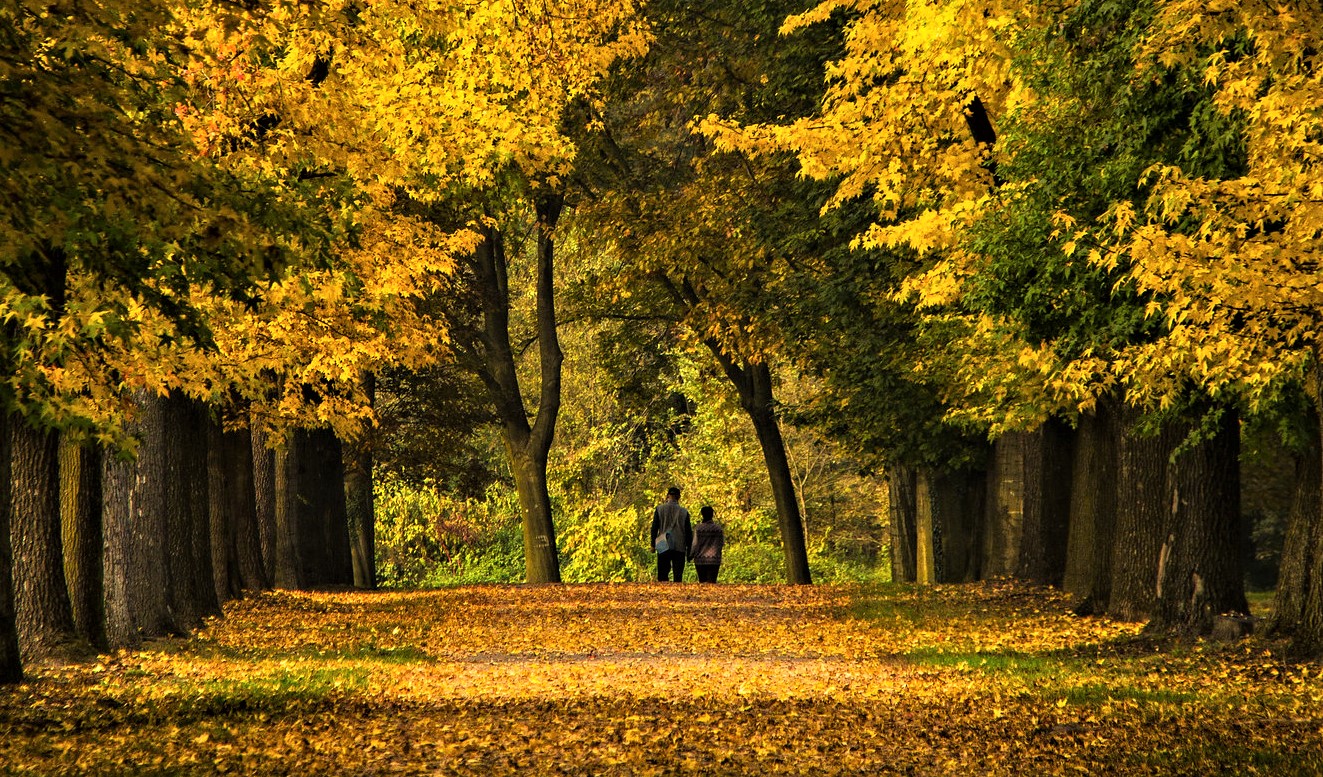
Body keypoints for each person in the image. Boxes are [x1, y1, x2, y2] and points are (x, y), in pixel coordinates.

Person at [651, 486, 692, 582]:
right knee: (678, 575)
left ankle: (663, 593)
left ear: (667, 496)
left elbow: (654, 528)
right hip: (679, 544)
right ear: (679, 497)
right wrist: (689, 549)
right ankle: (677, 594)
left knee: (662, 574)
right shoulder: (684, 512)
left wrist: (653, 544)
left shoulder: (659, 509)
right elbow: (688, 532)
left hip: (662, 543)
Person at [690, 505, 725, 583]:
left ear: (702, 515)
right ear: (712, 515)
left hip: (700, 560)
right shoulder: (718, 529)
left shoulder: (698, 528)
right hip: (714, 560)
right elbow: (722, 543)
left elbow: (695, 544)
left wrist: (691, 555)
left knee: (702, 582)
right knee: (712, 582)